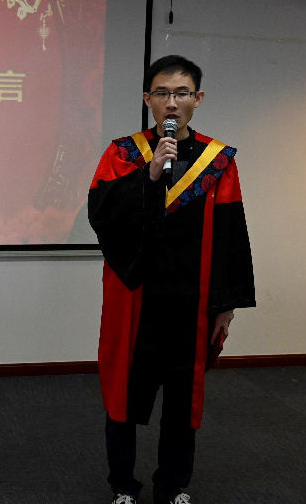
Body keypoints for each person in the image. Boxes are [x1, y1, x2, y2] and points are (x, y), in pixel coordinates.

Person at [88, 55, 255, 504]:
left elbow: (230, 232)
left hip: (190, 302)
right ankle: (123, 485)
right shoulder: (123, 154)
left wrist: (225, 303)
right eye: (162, 93)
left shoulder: (218, 161)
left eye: (182, 93)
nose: (172, 102)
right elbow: (102, 215)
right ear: (148, 99)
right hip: (136, 298)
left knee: (183, 400)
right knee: (124, 396)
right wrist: (149, 175)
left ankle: (172, 485)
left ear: (198, 99)